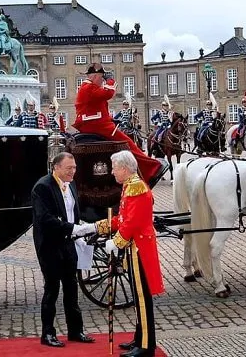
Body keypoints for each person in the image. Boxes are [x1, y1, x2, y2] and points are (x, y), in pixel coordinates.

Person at [87, 150, 164, 357]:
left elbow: (132, 223)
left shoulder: (136, 188)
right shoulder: (130, 186)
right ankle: (140, 338)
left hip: (140, 247)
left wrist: (116, 242)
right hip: (135, 247)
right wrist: (96, 227)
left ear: (123, 168)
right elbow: (122, 219)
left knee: (142, 297)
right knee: (138, 297)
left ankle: (146, 346)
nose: (112, 172)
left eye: (114, 168)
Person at [31, 152, 96, 348]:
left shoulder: (72, 185)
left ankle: (75, 330)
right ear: (56, 167)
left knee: (71, 287)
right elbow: (46, 219)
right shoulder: (43, 187)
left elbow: (72, 214)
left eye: (74, 167)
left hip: (68, 242)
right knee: (52, 289)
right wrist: (74, 229)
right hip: (50, 245)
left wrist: (79, 229)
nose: (73, 171)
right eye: (69, 168)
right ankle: (47, 333)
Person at [73, 62, 166, 188]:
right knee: (127, 144)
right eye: (101, 77)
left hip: (96, 121)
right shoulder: (88, 87)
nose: (102, 81)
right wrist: (110, 81)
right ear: (94, 76)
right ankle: (151, 168)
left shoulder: (88, 87)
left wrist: (112, 119)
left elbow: (98, 107)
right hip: (96, 124)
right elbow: (108, 93)